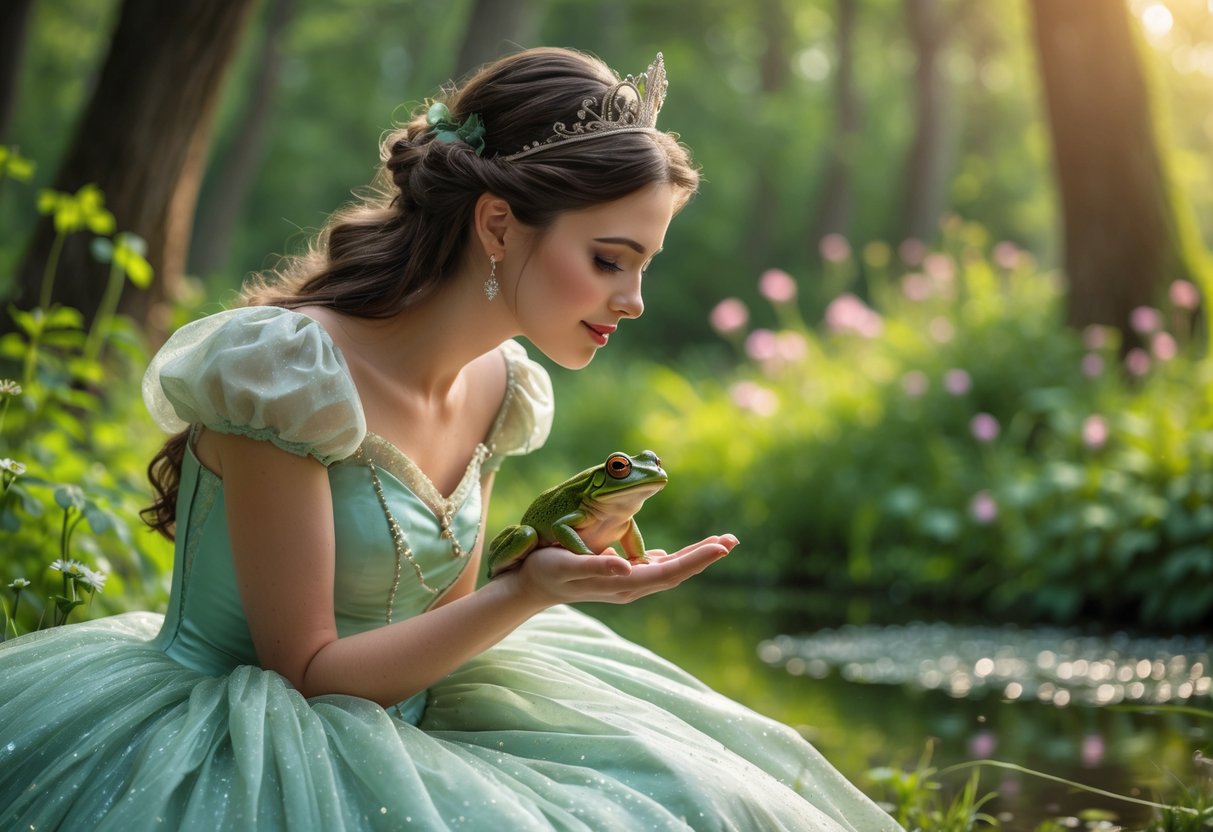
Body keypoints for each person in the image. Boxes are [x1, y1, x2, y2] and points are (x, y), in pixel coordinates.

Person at [0, 47, 901, 831]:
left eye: (643, 266)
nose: (631, 302)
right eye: (607, 259)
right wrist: (529, 595)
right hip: (238, 738)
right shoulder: (285, 376)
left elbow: (441, 626)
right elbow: (307, 676)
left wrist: (540, 568)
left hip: (409, 714)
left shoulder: (500, 384)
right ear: (499, 223)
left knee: (696, 793)